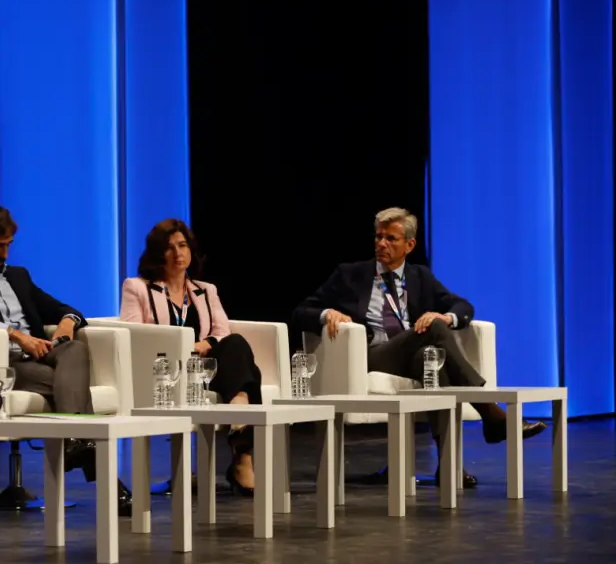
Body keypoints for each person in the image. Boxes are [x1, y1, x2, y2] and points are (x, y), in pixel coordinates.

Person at [290, 207, 548, 487]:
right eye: (378, 237)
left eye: (391, 238)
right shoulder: (350, 274)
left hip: (408, 355)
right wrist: (327, 313)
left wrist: (447, 317)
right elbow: (301, 311)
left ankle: (449, 465)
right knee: (433, 330)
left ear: (409, 245)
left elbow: (462, 306)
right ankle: (491, 414)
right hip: (371, 355)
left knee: (432, 361)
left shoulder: (419, 277)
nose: (381, 244)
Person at [0, 202, 134, 514]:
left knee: (76, 349)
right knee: (70, 385)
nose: (5, 253)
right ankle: (93, 463)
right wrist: (16, 335)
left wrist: (67, 322)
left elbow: (64, 308)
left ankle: (73, 441)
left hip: (43, 356)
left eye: (8, 245)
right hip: (3, 365)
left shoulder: (18, 276)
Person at [119, 219, 263, 495]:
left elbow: (221, 330)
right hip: (165, 371)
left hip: (203, 370)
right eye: (169, 247)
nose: (178, 253)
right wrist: (185, 347)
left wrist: (205, 344)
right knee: (248, 372)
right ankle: (242, 452)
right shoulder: (137, 288)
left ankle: (239, 405)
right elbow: (133, 333)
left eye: (182, 245)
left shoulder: (205, 290)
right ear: (157, 254)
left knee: (236, 344)